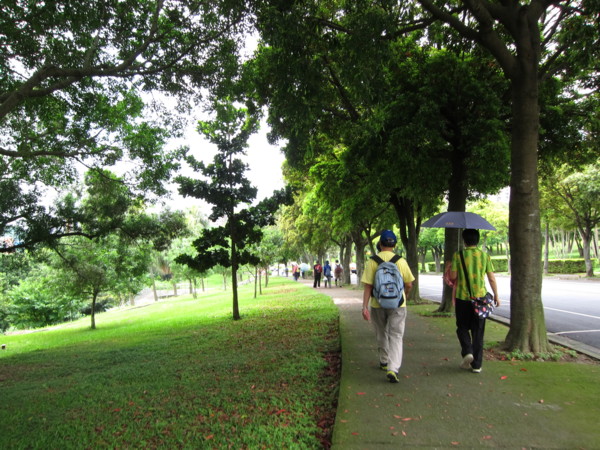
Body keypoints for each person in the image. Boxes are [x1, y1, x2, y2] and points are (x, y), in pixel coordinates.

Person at [361, 230, 414, 383]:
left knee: (381, 332)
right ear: (395, 244)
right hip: (398, 304)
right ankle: (393, 368)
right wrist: (404, 295)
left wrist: (364, 307)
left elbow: (368, 286)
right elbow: (409, 284)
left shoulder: (373, 261)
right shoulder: (401, 261)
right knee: (396, 335)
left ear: (380, 244)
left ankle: (384, 361)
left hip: (377, 303)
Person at [449, 229, 500, 373]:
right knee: (478, 331)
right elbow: (491, 278)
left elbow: (453, 277)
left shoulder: (458, 255)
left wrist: (450, 267)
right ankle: (477, 365)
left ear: (464, 240)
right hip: (480, 300)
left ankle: (467, 351)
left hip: (462, 298)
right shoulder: (484, 256)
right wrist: (496, 295)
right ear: (477, 240)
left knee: (462, 327)